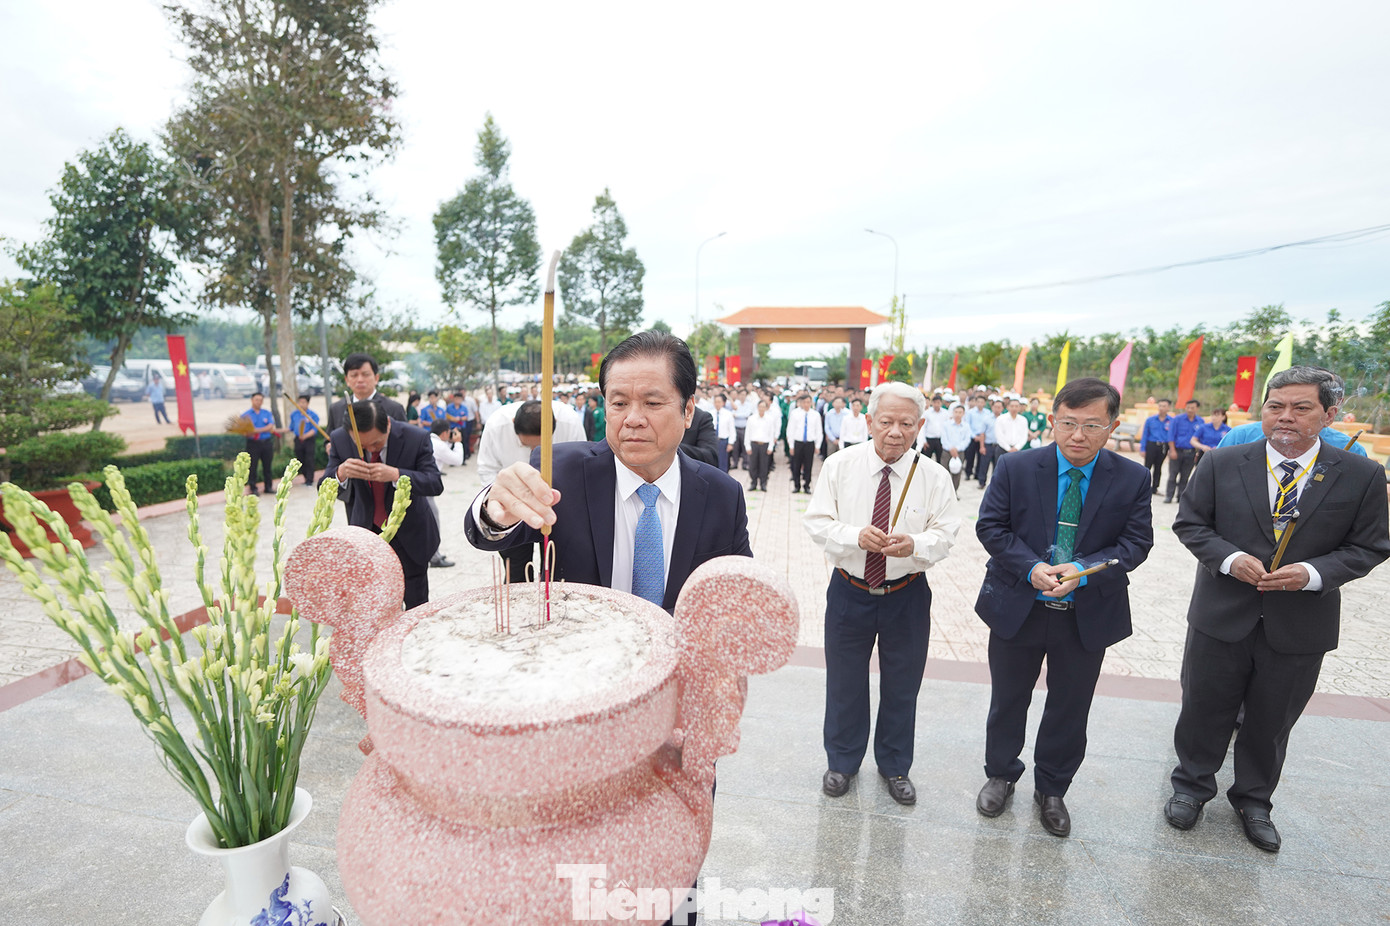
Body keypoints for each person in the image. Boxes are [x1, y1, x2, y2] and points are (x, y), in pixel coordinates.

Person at [1164, 367, 1390, 853]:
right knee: (1204, 706)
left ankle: (1254, 799)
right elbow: (1191, 524)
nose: (1285, 417)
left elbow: (1370, 546)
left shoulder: (1362, 474)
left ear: (1329, 415)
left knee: (1272, 719)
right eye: (1275, 406)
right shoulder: (1224, 462)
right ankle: (1191, 787)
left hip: (1299, 624)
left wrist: (1312, 574)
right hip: (1222, 615)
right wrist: (1228, 558)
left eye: (1301, 407)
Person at [973, 378, 1154, 838]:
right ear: (1052, 421)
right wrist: (1031, 567)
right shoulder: (1015, 467)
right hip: (1020, 605)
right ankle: (1001, 774)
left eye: (1092, 425)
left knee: (1071, 706)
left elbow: (1136, 542)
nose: (1078, 435)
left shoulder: (1131, 477)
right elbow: (991, 528)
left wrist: (1083, 568)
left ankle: (1052, 789)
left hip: (1086, 611)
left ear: (1111, 427)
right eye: (1069, 423)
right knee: (1008, 698)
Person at [464, 329, 752, 614]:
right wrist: (494, 512)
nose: (633, 419)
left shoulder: (723, 495)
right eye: (619, 403)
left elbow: (739, 594)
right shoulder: (561, 473)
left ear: (687, 411)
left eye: (652, 403)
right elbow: (488, 534)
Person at [804, 381, 961, 806]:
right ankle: (842, 762)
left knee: (902, 684)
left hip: (906, 594)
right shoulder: (840, 465)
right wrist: (855, 535)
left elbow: (946, 534)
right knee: (844, 681)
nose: (895, 432)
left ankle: (894, 767)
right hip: (849, 590)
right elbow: (817, 522)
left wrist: (916, 545)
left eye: (906, 424)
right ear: (869, 421)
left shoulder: (934, 476)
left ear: (920, 426)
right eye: (886, 421)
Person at [324, 400, 444, 609]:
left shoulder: (416, 437)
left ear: (387, 424)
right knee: (374, 607)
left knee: (416, 606)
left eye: (377, 444)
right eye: (362, 446)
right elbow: (323, 487)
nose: (370, 450)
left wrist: (397, 474)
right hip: (367, 535)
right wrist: (341, 473)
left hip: (410, 535)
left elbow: (434, 483)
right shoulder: (340, 439)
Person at [328, 353, 407, 432]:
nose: (360, 380)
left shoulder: (394, 409)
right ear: (347, 380)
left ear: (376, 378)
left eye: (365, 374)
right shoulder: (336, 409)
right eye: (354, 375)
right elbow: (329, 439)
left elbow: (404, 439)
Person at [241, 392, 285, 494]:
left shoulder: (266, 413)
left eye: (261, 400)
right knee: (252, 466)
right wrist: (262, 430)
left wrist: (255, 430)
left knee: (267, 466)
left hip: (266, 443)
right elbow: (245, 432)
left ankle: (268, 487)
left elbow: (270, 427)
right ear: (252, 400)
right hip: (253, 444)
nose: (259, 402)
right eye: (256, 399)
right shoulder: (245, 415)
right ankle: (253, 488)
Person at [1165, 399, 1205, 504]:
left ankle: (1181, 497)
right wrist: (1172, 450)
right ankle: (1169, 496)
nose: (1190, 410)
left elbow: (1201, 438)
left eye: (1192, 408)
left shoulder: (1201, 422)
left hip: (1191, 452)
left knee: (1185, 476)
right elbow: (1171, 436)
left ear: (1197, 408)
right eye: (1188, 407)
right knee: (1173, 475)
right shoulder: (1177, 419)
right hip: (1177, 451)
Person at [787, 393, 823, 493]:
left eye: (808, 402)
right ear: (801, 403)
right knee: (796, 465)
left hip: (810, 443)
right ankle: (796, 485)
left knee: (808, 465)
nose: (806, 404)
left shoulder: (815, 414)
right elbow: (790, 430)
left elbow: (818, 431)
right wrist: (791, 445)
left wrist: (818, 445)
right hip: (798, 442)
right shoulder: (795, 413)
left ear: (811, 403)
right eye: (804, 402)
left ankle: (807, 485)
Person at [1139, 399, 1173, 495]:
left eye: (1164, 406)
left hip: (1163, 446)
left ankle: (1155, 488)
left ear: (1169, 407)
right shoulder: (1150, 420)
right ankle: (1142, 487)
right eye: (1160, 405)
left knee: (1158, 467)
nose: (1161, 408)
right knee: (1147, 467)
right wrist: (1142, 448)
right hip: (1151, 445)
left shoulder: (1172, 421)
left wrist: (1171, 449)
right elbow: (1145, 434)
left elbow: (1172, 436)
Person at [288, 395, 321, 486]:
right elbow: (291, 428)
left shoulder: (312, 415)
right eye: (300, 402)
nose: (301, 404)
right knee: (300, 460)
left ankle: (309, 480)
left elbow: (314, 429)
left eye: (303, 402)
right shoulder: (294, 414)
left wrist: (305, 436)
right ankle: (306, 477)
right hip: (298, 440)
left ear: (307, 403)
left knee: (309, 459)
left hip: (309, 440)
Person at [941, 403, 973, 495]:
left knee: (957, 473)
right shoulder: (946, 424)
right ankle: (943, 493)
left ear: (963, 414)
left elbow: (967, 440)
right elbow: (944, 438)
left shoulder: (966, 426)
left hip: (960, 452)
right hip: (947, 451)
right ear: (953, 413)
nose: (958, 414)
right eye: (956, 412)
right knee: (944, 472)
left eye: (960, 412)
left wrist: (957, 449)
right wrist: (951, 448)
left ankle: (954, 492)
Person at [994, 398, 1030, 463]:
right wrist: (1008, 448)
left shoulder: (1023, 420)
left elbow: (1024, 436)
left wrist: (1017, 447)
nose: (1014, 408)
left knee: (1014, 471)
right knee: (1000, 470)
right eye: (1012, 406)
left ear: (1019, 408)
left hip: (1017, 450)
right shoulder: (1001, 419)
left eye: (1016, 406)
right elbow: (999, 436)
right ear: (1008, 407)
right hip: (1002, 449)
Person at [918, 393, 947, 464]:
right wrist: (923, 441)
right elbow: (923, 427)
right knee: (926, 460)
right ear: (932, 403)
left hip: (940, 440)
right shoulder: (927, 413)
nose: (936, 404)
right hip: (929, 440)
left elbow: (947, 428)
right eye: (935, 402)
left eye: (938, 403)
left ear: (941, 403)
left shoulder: (945, 413)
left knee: (940, 460)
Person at [712, 393, 736, 473]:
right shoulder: (710, 413)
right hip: (712, 441)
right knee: (712, 462)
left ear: (723, 403)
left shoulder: (728, 414)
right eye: (715, 402)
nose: (717, 404)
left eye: (719, 402)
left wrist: (730, 443)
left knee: (723, 462)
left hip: (723, 441)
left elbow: (732, 430)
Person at [446, 391, 471, 463]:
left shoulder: (464, 408)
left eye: (459, 399)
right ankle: (451, 461)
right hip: (452, 427)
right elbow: (446, 416)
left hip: (461, 427)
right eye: (456, 399)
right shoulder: (449, 407)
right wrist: (452, 419)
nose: (458, 400)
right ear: (454, 399)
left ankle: (463, 459)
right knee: (451, 444)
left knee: (463, 443)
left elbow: (466, 417)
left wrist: (459, 419)